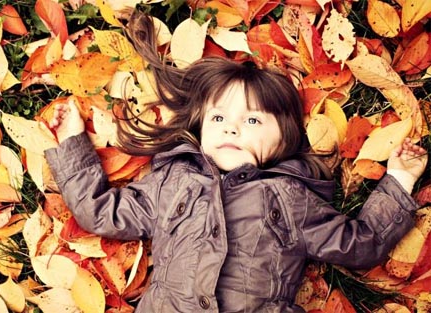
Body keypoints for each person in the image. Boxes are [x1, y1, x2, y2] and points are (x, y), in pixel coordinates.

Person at [44, 11, 428, 313]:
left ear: (285, 138)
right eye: (218, 119)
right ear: (200, 127)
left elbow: (360, 245)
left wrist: (398, 181)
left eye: (252, 120)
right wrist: (73, 142)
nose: (231, 129)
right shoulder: (174, 181)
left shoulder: (289, 198)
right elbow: (101, 212)